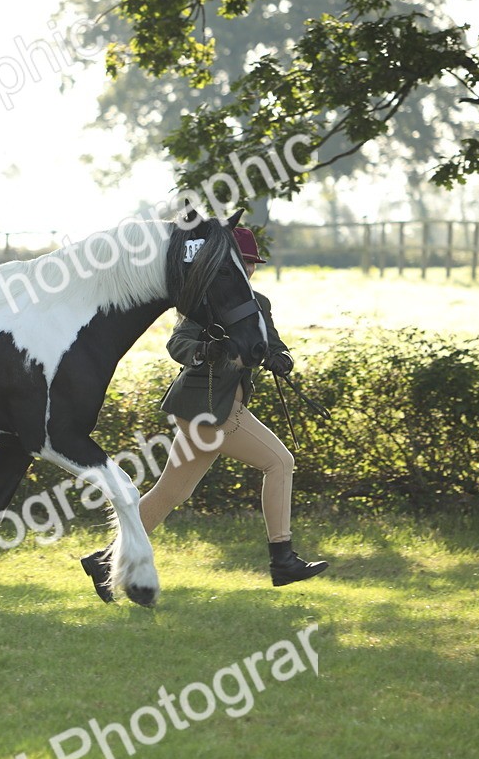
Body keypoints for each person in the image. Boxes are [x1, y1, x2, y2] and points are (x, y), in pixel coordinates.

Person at [82, 227, 328, 601]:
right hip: (208, 408)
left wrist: (281, 359)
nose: (248, 269)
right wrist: (204, 351)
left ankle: (104, 561)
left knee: (172, 492)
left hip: (217, 408)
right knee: (280, 462)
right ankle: (282, 559)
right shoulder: (207, 298)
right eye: (243, 262)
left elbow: (274, 345)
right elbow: (178, 343)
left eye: (252, 263)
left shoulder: (259, 303)